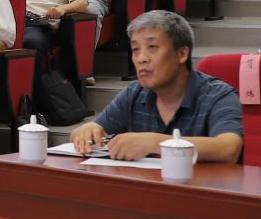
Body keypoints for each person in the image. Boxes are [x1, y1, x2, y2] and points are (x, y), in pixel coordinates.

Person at [69, 11, 244, 162]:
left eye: (152, 47)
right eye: (136, 49)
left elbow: (229, 149)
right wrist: (88, 131)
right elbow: (93, 130)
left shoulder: (218, 95)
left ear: (182, 54)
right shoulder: (134, 93)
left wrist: (155, 143)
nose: (141, 58)